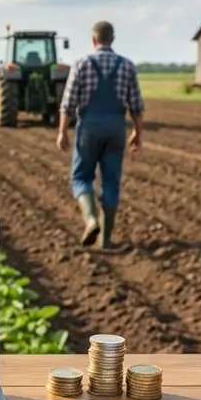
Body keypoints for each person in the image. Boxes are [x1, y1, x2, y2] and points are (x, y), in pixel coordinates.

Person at [55, 20, 144, 250]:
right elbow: (136, 105)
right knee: (111, 182)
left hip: (89, 128)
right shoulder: (127, 66)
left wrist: (62, 132)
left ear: (93, 40)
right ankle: (105, 241)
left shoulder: (82, 64)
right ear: (112, 39)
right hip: (116, 129)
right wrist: (137, 132)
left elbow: (68, 103)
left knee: (81, 177)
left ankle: (91, 219)